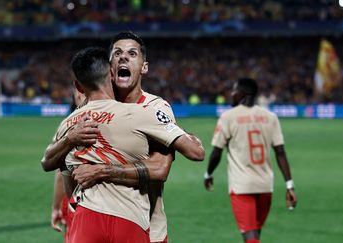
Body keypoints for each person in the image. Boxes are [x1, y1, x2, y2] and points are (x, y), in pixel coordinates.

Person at [43, 31, 200, 243]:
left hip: (148, 227)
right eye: (117, 53)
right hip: (92, 219)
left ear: (144, 67)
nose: (123, 57)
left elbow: (160, 168)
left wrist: (101, 171)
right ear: (109, 68)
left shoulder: (154, 107)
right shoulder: (91, 107)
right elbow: (63, 162)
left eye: (132, 54)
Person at [203, 78, 297, 243]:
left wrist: (208, 174)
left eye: (233, 91)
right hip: (265, 185)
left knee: (251, 237)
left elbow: (216, 152)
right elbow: (280, 152)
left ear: (242, 94)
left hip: (242, 186)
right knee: (255, 233)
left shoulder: (228, 117)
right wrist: (289, 185)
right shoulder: (270, 117)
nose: (231, 95)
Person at [50, 89, 85, 242]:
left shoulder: (70, 125)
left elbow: (60, 172)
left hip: (76, 197)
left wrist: (56, 207)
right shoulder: (114, 117)